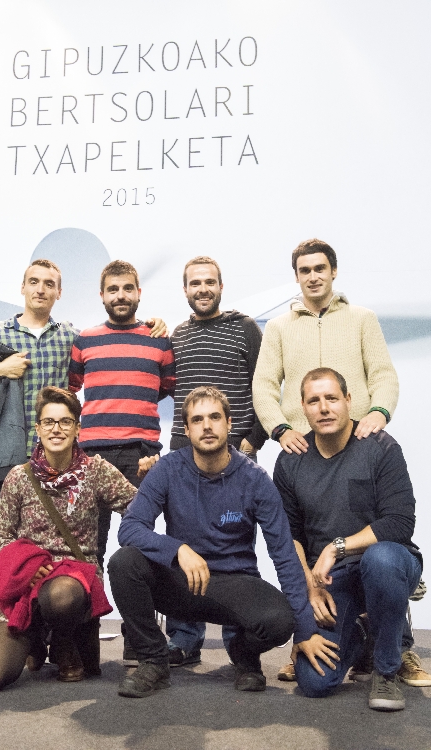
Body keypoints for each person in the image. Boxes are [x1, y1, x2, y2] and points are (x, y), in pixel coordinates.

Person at [0, 259, 164, 666]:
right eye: (34, 282)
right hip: (3, 456)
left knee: (64, 548)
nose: (41, 289)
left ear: (59, 292)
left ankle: (50, 633)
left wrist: (153, 325)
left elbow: (88, 373)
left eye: (49, 284)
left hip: (55, 456)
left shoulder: (71, 337)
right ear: (23, 287)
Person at [107, 386, 336, 699]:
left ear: (229, 424)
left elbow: (284, 555)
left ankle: (244, 654)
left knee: (281, 621)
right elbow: (130, 528)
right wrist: (178, 549)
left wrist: (305, 631)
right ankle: (153, 661)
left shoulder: (255, 479)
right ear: (186, 429)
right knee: (124, 562)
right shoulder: (168, 469)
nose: (207, 426)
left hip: (235, 583)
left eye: (214, 417)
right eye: (197, 419)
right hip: (182, 582)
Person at [273, 368, 424, 711]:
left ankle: (386, 669)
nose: (324, 407)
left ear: (348, 401)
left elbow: (400, 523)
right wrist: (309, 587)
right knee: (314, 682)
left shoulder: (380, 448)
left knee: (380, 560)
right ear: (303, 407)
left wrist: (335, 547)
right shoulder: (291, 461)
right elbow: (289, 535)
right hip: (331, 579)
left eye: (332, 398)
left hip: (390, 561)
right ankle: (361, 635)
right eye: (314, 401)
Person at [0, 386, 140, 691]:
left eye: (65, 421)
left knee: (61, 596)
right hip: (26, 581)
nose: (57, 429)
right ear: (38, 428)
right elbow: (1, 538)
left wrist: (152, 477)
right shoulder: (18, 477)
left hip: (73, 583)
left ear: (77, 428)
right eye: (49, 422)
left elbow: (138, 507)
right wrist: (26, 566)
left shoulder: (96, 471)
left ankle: (63, 640)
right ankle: (36, 637)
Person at [166, 255, 267, 666]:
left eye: (209, 282)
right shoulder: (178, 335)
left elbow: (264, 387)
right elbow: (174, 395)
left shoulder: (245, 329)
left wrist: (252, 440)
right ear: (185, 290)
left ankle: (238, 639)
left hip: (236, 455)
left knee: (234, 543)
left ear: (221, 287)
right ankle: (183, 638)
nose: (202, 289)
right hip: (185, 456)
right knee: (182, 543)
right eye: (195, 283)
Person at [69, 259, 175, 570]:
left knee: (138, 546)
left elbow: (166, 386)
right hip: (91, 456)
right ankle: (88, 605)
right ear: (102, 295)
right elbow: (71, 388)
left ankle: (139, 607)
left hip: (141, 455)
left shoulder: (159, 340)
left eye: (128, 288)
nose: (120, 295)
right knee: (88, 548)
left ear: (139, 293)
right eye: (113, 289)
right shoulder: (84, 340)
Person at [253, 238, 399, 455]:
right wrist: (280, 430)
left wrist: (380, 412)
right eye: (305, 271)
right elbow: (264, 386)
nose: (313, 277)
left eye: (320, 269)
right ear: (297, 276)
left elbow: (383, 375)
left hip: (358, 440)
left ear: (334, 271)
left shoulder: (363, 319)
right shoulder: (277, 327)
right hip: (302, 446)